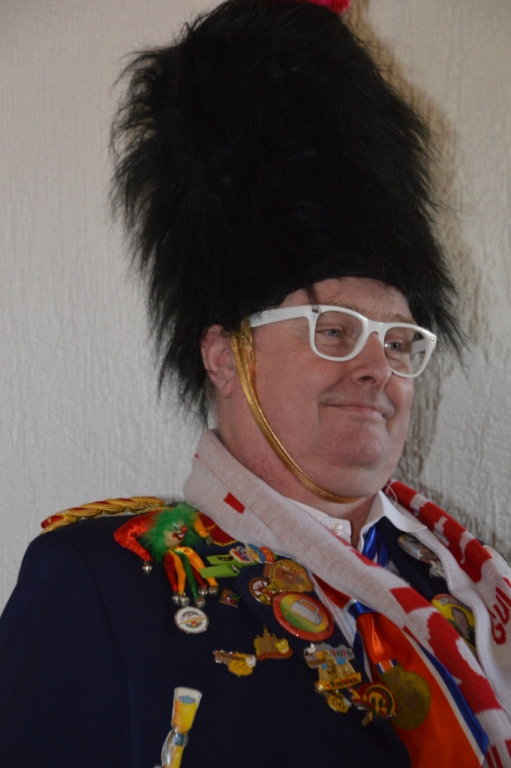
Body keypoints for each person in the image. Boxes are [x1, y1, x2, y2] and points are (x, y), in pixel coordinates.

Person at [1, 0, 511, 766]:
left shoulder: (465, 578)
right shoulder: (101, 581)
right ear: (223, 353)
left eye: (400, 341)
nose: (378, 368)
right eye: (333, 330)